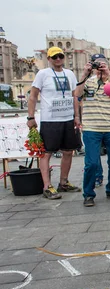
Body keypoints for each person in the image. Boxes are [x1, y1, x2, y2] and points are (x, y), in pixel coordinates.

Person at [27, 46, 82, 199]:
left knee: (68, 151)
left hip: (67, 118)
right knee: (46, 153)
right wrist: (30, 117)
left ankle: (63, 182)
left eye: (60, 56)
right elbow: (32, 97)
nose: (58, 59)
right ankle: (47, 186)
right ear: (49, 59)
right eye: (54, 57)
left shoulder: (69, 74)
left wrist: (76, 117)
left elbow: (74, 97)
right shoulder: (43, 74)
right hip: (50, 120)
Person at [74, 54, 110, 207]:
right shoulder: (88, 81)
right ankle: (88, 194)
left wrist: (108, 74)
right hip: (91, 127)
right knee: (91, 163)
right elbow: (77, 94)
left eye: (102, 64)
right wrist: (85, 73)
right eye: (97, 65)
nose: (99, 68)